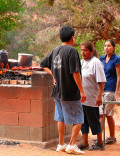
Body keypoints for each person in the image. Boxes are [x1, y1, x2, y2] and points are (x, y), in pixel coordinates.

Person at [40, 26, 87, 154]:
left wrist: (53, 75)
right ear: (72, 38)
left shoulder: (55, 50)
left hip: (58, 92)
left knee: (60, 119)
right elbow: (75, 73)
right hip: (70, 92)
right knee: (79, 119)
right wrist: (82, 91)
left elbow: (42, 64)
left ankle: (61, 144)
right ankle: (71, 145)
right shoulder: (72, 51)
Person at [77, 41, 106, 151]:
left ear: (91, 51)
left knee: (94, 120)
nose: (83, 52)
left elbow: (101, 81)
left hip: (92, 98)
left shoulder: (96, 62)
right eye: (82, 50)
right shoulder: (81, 62)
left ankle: (99, 142)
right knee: (83, 121)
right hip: (82, 98)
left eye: (85, 50)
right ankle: (84, 143)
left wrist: (99, 96)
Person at [99, 39, 120, 144]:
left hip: (110, 90)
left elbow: (119, 77)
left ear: (114, 47)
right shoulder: (102, 59)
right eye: (105, 46)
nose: (106, 48)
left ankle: (99, 139)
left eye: (109, 46)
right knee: (108, 115)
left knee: (101, 114)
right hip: (101, 90)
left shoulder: (117, 59)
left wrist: (117, 93)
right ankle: (112, 137)